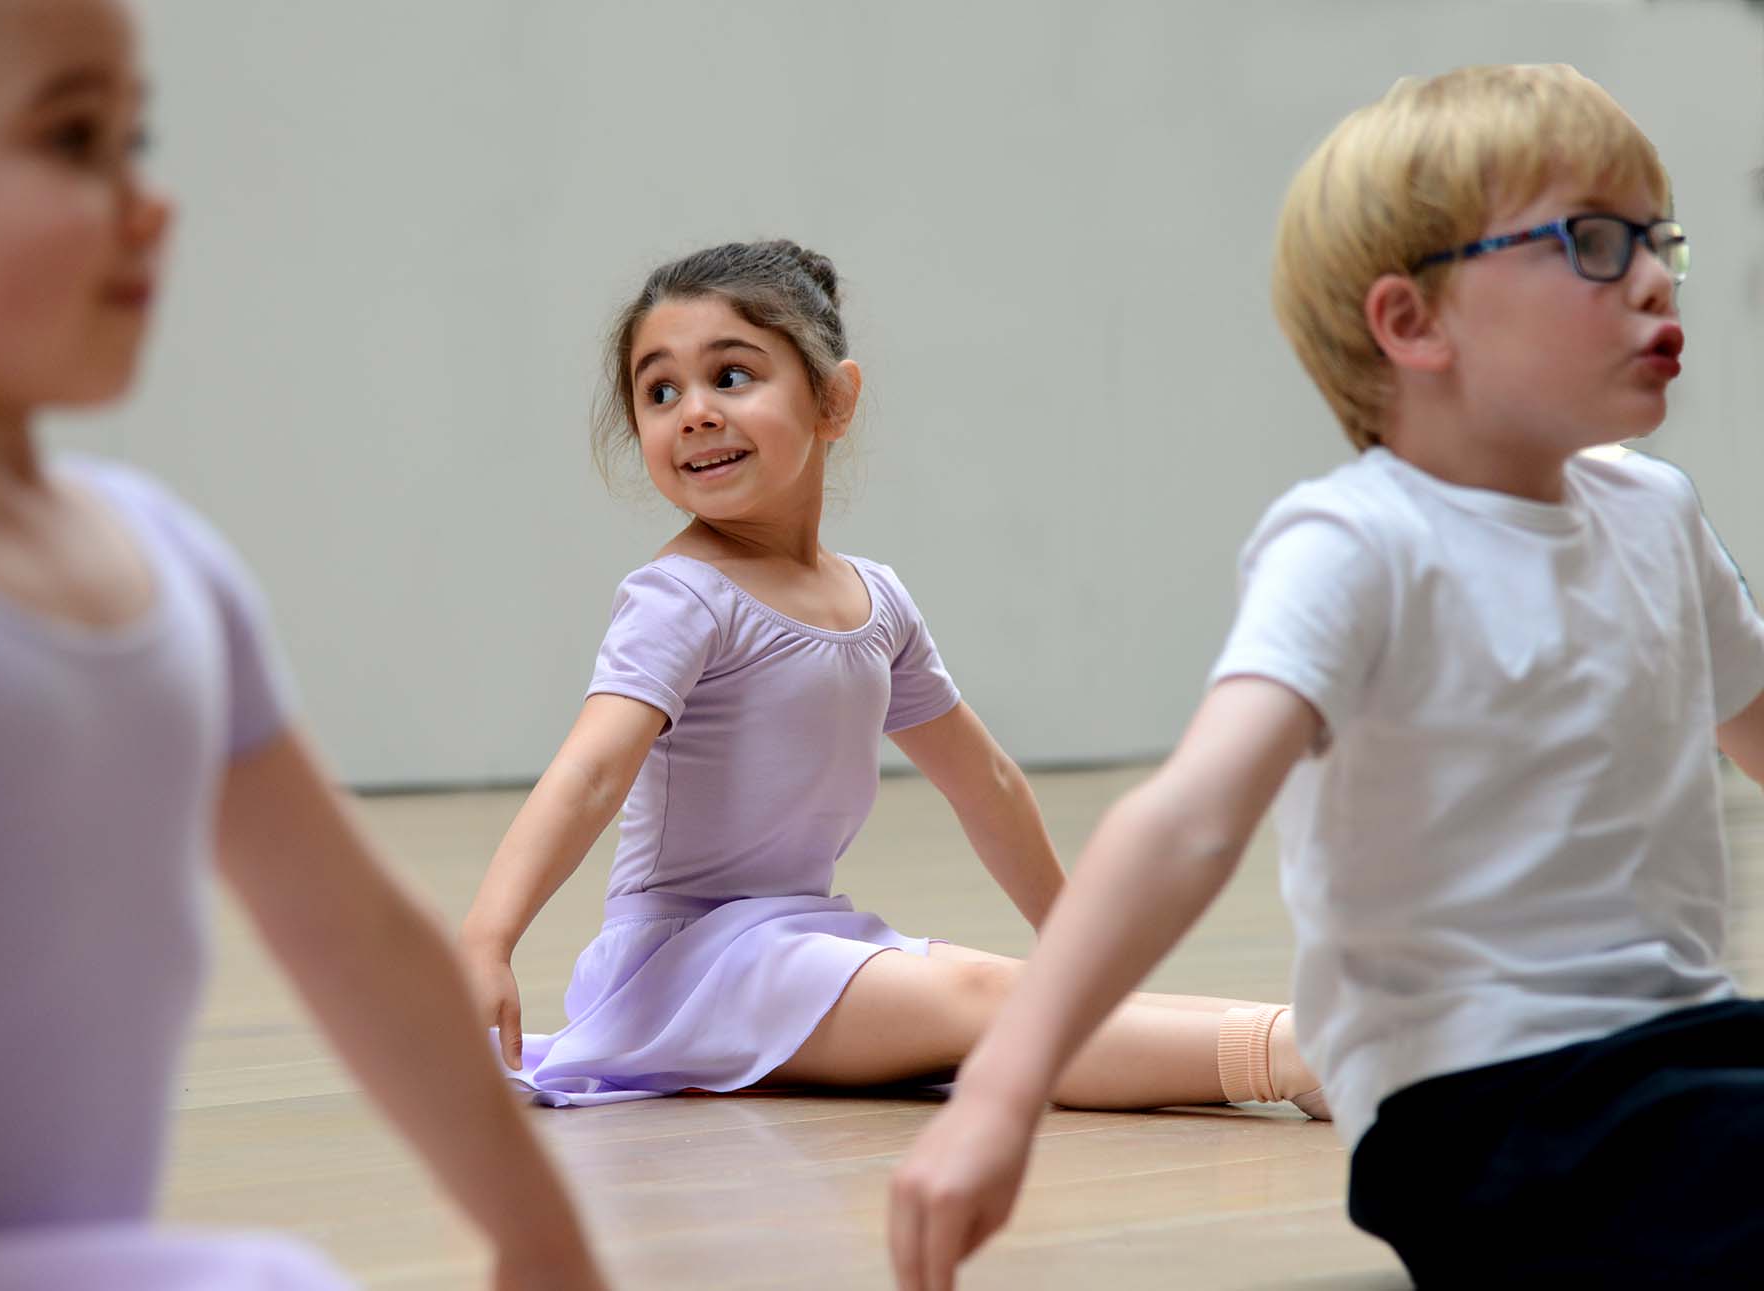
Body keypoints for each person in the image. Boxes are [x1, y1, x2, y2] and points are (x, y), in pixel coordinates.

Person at [0, 2, 604, 1287]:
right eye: (70, 140)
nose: (145, 203)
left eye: (133, 136)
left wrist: (542, 1236)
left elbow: (358, 939)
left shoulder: (164, 560)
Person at [888, 63, 1764, 1290]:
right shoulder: (1356, 544)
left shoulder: (1651, 511)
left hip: (1686, 1050)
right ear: (1412, 323)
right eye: (1593, 241)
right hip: (1480, 1107)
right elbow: (1188, 819)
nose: (1656, 276)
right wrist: (999, 1090)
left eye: (1656, 236)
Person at [458, 239, 1325, 1121]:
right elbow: (592, 770)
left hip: (804, 939)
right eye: (660, 390)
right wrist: (489, 938)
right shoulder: (679, 597)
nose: (694, 412)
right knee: (987, 1002)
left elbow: (983, 780)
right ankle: (1302, 1057)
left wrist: (1075, 944)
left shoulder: (876, 600)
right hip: (689, 969)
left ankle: (1331, 1038)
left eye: (732, 375)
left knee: (1023, 992)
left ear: (833, 399)